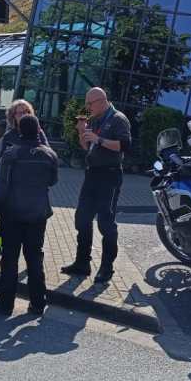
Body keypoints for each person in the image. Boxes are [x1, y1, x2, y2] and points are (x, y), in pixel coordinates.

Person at [0, 114, 58, 316]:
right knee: (35, 257)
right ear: (39, 130)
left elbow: (1, 187)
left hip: (11, 213)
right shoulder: (50, 155)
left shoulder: (11, 154)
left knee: (10, 258)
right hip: (38, 213)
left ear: (19, 131)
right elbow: (53, 181)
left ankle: (5, 305)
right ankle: (38, 304)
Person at [61, 87, 132, 282]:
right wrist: (82, 132)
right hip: (92, 174)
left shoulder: (118, 119)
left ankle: (106, 268)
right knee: (82, 218)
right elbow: (87, 147)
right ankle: (82, 263)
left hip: (110, 175)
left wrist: (98, 139)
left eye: (89, 103)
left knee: (105, 222)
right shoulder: (93, 119)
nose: (87, 107)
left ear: (101, 101)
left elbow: (125, 146)